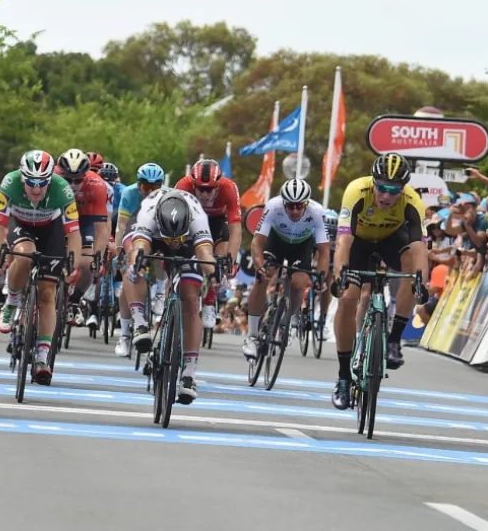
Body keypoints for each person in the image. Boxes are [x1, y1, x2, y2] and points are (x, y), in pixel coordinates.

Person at [329, 153, 429, 410]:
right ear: (373, 182)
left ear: (403, 189)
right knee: (349, 297)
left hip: (390, 241)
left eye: (393, 190)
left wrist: (421, 282)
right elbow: (344, 241)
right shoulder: (356, 191)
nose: (386, 196)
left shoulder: (412, 201)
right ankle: (342, 377)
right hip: (358, 244)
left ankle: (394, 339)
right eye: (381, 187)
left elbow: (420, 248)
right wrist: (340, 274)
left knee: (411, 268)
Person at [0, 150, 81, 386]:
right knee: (24, 254)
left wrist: (74, 262)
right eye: (31, 183)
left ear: (51, 179)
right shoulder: (9, 183)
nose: (36, 189)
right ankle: (12, 300)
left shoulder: (62, 189)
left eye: (42, 183)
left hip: (51, 229)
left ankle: (43, 355)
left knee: (48, 293)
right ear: (22, 178)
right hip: (21, 227)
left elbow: (73, 233)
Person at [123, 189, 215, 403]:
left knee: (191, 300)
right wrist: (137, 260)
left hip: (189, 243)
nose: (174, 243)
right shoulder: (148, 213)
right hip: (154, 237)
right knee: (134, 264)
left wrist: (215, 274)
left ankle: (189, 373)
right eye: (171, 240)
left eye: (177, 239)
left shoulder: (197, 216)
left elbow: (204, 253)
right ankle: (139, 323)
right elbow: (141, 245)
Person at [242, 178, 330, 359]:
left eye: (299, 206)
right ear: (284, 203)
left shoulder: (317, 212)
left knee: (299, 284)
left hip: (301, 246)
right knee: (263, 278)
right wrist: (259, 264)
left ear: (306, 203)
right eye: (290, 206)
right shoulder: (273, 206)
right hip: (276, 243)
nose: (295, 211)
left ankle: (285, 322)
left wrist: (320, 277)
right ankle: (252, 336)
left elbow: (324, 250)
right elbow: (258, 241)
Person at [175, 158, 242, 329]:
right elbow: (173, 221)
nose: (205, 194)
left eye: (209, 190)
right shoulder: (183, 185)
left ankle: (210, 301)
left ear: (218, 186)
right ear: (193, 184)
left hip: (216, 222)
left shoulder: (229, 188)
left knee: (221, 255)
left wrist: (230, 259)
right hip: (189, 222)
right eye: (201, 189)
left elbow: (236, 229)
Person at [112, 162, 165, 357]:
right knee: (129, 264)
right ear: (138, 185)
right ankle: (126, 334)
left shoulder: (167, 195)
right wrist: (119, 251)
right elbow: (121, 226)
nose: (150, 192)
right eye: (145, 188)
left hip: (157, 227)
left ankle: (160, 291)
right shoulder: (129, 193)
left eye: (155, 188)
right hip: (134, 227)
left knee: (163, 254)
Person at [55, 149, 110, 328]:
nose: (72, 184)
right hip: (57, 217)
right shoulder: (50, 179)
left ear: (86, 175)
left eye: (78, 180)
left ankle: (75, 300)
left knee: (87, 263)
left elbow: (102, 230)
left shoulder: (97, 185)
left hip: (84, 220)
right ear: (59, 173)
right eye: (67, 179)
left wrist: (98, 257)